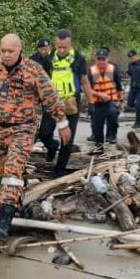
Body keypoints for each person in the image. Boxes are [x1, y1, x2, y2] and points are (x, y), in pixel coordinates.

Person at [0, 34, 71, 241]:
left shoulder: (33, 70)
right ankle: (13, 203)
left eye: (11, 51)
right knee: (0, 174)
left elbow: (50, 97)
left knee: (12, 171)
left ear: (20, 51)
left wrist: (62, 123)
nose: (6, 55)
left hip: (23, 129)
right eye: (3, 51)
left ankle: (5, 220)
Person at [41, 29, 92, 176]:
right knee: (44, 133)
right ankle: (52, 146)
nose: (62, 49)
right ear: (55, 44)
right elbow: (43, 81)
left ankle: (60, 168)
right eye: (59, 46)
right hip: (52, 101)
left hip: (71, 102)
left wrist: (91, 103)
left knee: (67, 138)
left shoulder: (79, 59)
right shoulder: (50, 58)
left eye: (65, 47)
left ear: (70, 44)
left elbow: (85, 82)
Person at [88, 48, 123, 154]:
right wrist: (99, 95)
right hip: (97, 102)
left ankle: (111, 137)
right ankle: (99, 146)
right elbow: (87, 88)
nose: (101, 61)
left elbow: (119, 87)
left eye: (103, 59)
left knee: (113, 115)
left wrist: (121, 101)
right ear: (96, 59)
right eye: (99, 59)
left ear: (108, 59)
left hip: (111, 101)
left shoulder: (113, 69)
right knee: (97, 124)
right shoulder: (91, 71)